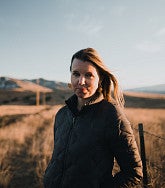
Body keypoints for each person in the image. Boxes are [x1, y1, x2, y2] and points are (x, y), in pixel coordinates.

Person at [43, 48, 143, 188]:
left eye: (89, 75)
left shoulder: (112, 116)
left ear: (100, 78)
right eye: (76, 74)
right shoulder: (62, 114)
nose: (81, 81)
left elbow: (133, 172)